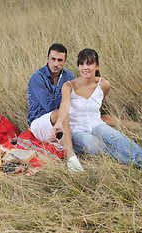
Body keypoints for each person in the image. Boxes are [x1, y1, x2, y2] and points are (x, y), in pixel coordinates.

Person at [52, 48, 142, 171]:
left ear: (97, 66)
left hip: (96, 124)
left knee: (115, 137)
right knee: (100, 146)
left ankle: (141, 159)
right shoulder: (68, 85)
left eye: (89, 63)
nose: (85, 67)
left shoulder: (104, 84)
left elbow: (98, 107)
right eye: (82, 64)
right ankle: (137, 163)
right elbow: (64, 105)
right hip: (77, 130)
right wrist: (58, 123)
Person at [28, 43, 84, 171]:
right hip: (39, 123)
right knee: (61, 113)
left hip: (62, 118)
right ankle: (71, 159)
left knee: (100, 118)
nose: (56, 64)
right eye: (53, 59)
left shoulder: (69, 76)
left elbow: (74, 99)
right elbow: (49, 107)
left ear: (65, 61)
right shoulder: (37, 78)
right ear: (47, 58)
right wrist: (67, 103)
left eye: (60, 60)